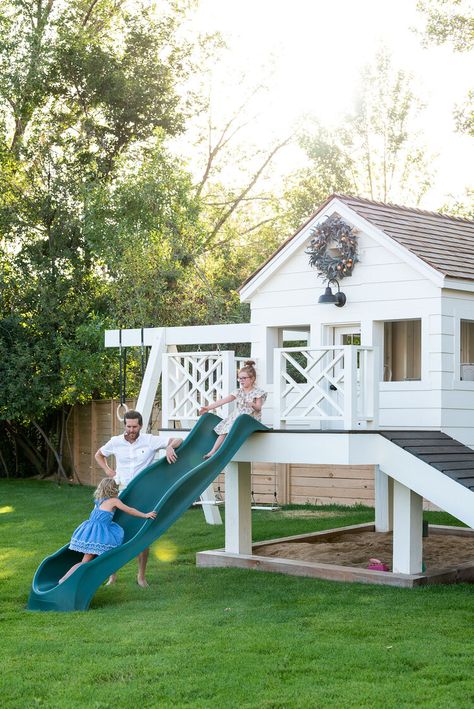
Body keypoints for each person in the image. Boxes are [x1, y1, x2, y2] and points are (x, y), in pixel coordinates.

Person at [94, 409, 182, 587]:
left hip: (142, 493)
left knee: (142, 535)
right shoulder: (116, 442)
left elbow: (179, 439)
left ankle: (141, 576)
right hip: (119, 492)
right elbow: (99, 454)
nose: (131, 430)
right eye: (128, 426)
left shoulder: (149, 440)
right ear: (124, 425)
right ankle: (112, 575)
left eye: (134, 426)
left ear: (140, 426)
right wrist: (107, 470)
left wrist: (170, 446)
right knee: (111, 532)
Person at [59, 478, 157, 584]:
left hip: (90, 531)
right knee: (92, 559)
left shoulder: (98, 500)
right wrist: (145, 515)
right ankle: (68, 579)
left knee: (87, 559)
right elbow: (129, 510)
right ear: (114, 489)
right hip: (99, 534)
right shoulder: (114, 501)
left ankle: (66, 578)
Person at [198, 360, 266, 459]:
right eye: (240, 378)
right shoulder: (238, 392)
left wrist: (253, 404)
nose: (241, 380)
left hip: (250, 419)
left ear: (252, 379)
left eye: (244, 378)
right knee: (225, 428)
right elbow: (224, 401)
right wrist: (208, 408)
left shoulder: (257, 392)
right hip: (237, 417)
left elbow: (259, 408)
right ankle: (212, 451)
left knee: (232, 424)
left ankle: (218, 450)